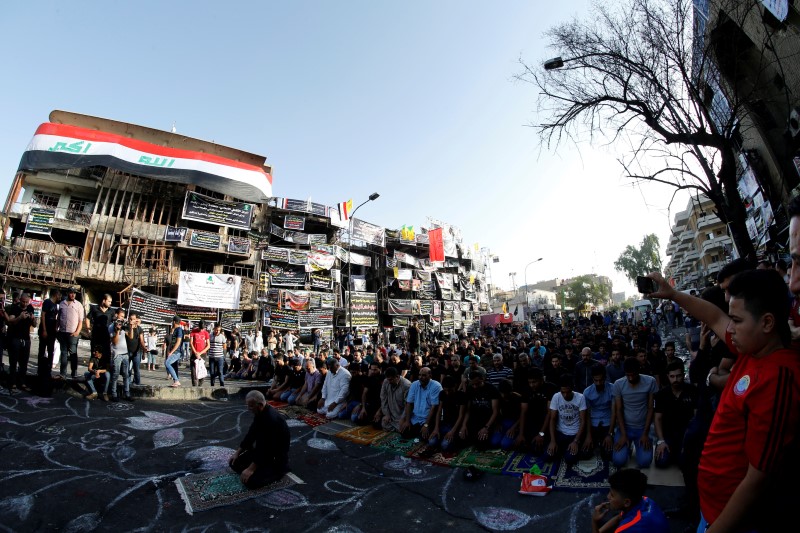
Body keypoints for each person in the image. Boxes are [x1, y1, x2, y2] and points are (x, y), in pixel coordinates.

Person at [649, 269, 800, 531]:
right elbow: (713, 315)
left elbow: (758, 478)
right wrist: (672, 294)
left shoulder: (779, 377)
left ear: (767, 323)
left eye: (737, 320)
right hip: (712, 509)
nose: (728, 328)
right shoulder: (754, 346)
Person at [228, 391, 290, 489]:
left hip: (274, 458)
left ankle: (277, 472)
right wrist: (238, 452)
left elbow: (267, 449)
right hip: (262, 452)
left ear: (260, 405)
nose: (248, 409)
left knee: (251, 482)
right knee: (234, 462)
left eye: (251, 406)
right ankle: (260, 469)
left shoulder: (271, 419)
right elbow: (251, 434)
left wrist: (251, 469)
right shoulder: (260, 413)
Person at [591, 468, 669, 533]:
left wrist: (595, 522)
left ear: (627, 502)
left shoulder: (626, 528)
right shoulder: (644, 500)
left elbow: (623, 526)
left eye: (612, 495)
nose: (608, 497)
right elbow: (619, 517)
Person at [611, 357, 656, 468]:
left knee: (645, 462)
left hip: (642, 428)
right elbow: (619, 410)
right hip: (625, 428)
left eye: (633, 374)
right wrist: (623, 434)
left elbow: (651, 408)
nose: (630, 378)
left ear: (639, 370)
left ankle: (635, 444)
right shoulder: (618, 384)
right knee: (618, 461)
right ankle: (628, 446)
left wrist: (645, 434)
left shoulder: (650, 381)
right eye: (628, 375)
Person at [653, 360, 698, 469]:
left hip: (686, 435)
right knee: (661, 462)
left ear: (683, 375)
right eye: (672, 376)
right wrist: (661, 441)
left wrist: (691, 440)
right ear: (668, 376)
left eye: (678, 376)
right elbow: (657, 419)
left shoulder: (692, 391)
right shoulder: (662, 394)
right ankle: (672, 452)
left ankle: (679, 454)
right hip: (668, 435)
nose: (675, 380)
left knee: (685, 464)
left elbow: (696, 417)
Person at [546, 374, 588, 465]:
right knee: (548, 456)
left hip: (575, 434)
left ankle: (568, 449)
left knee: (569, 459)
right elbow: (552, 419)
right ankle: (563, 449)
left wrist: (576, 441)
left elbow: (583, 420)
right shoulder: (556, 397)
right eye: (562, 392)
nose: (565, 395)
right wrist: (553, 441)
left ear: (573, 388)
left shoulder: (580, 397)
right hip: (561, 433)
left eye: (568, 392)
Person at [458, 366, 500, 450]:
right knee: (461, 439)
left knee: (483, 444)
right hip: (475, 419)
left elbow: (495, 411)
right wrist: (464, 425)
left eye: (477, 384)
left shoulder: (492, 389)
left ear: (482, 379)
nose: (475, 386)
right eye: (472, 384)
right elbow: (468, 410)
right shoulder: (470, 389)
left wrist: (486, 427)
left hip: (488, 420)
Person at [398, 366, 442, 440]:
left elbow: (434, 407)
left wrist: (426, 425)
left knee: (425, 437)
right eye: (420, 375)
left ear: (430, 376)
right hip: (416, 418)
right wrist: (407, 421)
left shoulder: (436, 386)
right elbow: (409, 403)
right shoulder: (414, 384)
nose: (421, 377)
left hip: (429, 419)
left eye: (424, 375)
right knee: (404, 433)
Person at [582, 365, 615, 461]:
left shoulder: (612, 389)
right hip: (593, 423)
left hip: (607, 423)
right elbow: (587, 414)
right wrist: (588, 435)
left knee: (608, 456)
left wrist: (610, 434)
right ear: (592, 379)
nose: (598, 383)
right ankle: (596, 442)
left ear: (605, 378)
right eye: (596, 380)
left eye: (601, 380)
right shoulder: (587, 392)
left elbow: (614, 412)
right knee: (585, 454)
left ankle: (602, 442)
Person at [5, 293, 35, 391]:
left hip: (26, 338)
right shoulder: (14, 308)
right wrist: (20, 317)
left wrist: (33, 319)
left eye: (27, 302)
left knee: (24, 362)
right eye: (23, 302)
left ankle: (22, 382)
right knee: (13, 362)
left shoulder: (30, 308)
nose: (25, 304)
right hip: (15, 338)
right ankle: (12, 383)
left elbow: (34, 325)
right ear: (20, 300)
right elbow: (10, 321)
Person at [428, 375, 466, 451]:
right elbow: (439, 411)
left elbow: (461, 415)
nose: (447, 393)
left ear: (455, 386)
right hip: (445, 423)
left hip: (456, 425)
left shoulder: (461, 395)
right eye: (446, 390)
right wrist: (436, 428)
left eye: (450, 390)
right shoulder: (442, 394)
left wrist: (452, 431)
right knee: (431, 442)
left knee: (445, 445)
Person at [37, 287, 60, 393]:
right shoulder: (47, 302)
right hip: (45, 329)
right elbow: (43, 315)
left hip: (52, 331)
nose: (60, 297)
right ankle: (39, 370)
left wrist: (55, 328)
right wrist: (44, 329)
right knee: (42, 349)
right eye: (59, 295)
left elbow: (55, 317)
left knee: (51, 350)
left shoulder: (56, 305)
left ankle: (48, 370)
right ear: (56, 294)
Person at [108, 308, 132, 402]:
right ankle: (113, 394)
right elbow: (114, 342)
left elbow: (130, 336)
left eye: (123, 317)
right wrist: (117, 330)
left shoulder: (123, 325)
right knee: (115, 375)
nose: (122, 318)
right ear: (116, 315)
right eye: (121, 316)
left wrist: (130, 326)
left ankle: (127, 393)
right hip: (117, 354)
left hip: (125, 353)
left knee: (126, 375)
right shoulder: (111, 326)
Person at [376, 366, 410, 431]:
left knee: (405, 430)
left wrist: (403, 419)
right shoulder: (386, 382)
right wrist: (387, 414)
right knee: (379, 423)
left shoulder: (406, 385)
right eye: (388, 379)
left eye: (391, 379)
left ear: (397, 377)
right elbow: (383, 399)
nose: (389, 382)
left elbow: (408, 405)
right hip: (391, 415)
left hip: (402, 415)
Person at [85, 294, 114, 366]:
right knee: (95, 354)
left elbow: (114, 322)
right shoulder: (95, 308)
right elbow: (88, 318)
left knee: (106, 355)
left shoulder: (112, 311)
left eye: (111, 302)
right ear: (104, 301)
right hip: (96, 336)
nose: (110, 303)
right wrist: (88, 329)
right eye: (109, 301)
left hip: (106, 337)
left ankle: (104, 373)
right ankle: (93, 372)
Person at [125, 312, 145, 387]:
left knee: (136, 369)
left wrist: (144, 349)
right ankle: (128, 383)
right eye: (130, 319)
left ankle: (137, 384)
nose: (132, 320)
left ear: (136, 320)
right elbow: (130, 336)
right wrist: (131, 326)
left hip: (137, 352)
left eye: (133, 319)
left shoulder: (139, 329)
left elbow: (142, 340)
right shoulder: (126, 327)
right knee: (127, 369)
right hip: (127, 351)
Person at [164, 316, 184, 387]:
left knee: (167, 363)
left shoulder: (179, 330)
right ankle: (176, 381)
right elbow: (172, 342)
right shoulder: (175, 330)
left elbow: (178, 342)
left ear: (174, 322)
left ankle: (176, 380)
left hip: (177, 351)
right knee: (174, 366)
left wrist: (171, 352)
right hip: (174, 351)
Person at [189, 319, 210, 387]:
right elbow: (191, 343)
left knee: (202, 371)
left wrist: (200, 353)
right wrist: (195, 352)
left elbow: (208, 345)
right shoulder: (193, 331)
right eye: (200, 328)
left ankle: (200, 385)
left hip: (202, 354)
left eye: (202, 328)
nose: (201, 330)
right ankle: (194, 386)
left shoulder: (206, 333)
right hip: (194, 354)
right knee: (194, 371)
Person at [208, 323, 227, 387]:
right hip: (212, 357)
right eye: (216, 330)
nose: (217, 331)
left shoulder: (222, 337)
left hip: (220, 357)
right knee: (212, 372)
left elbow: (224, 347)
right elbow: (207, 345)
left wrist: (224, 356)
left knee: (220, 372)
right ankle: (212, 386)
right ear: (214, 329)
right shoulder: (210, 336)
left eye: (219, 330)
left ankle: (222, 385)